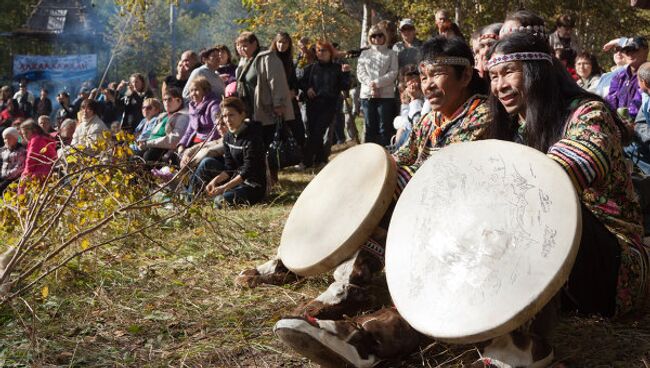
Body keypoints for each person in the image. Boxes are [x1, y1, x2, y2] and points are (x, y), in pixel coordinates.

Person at [271, 35, 492, 367]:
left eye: (438, 75)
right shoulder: (429, 119)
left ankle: (352, 288)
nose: (428, 85)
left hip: (461, 216)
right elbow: (399, 157)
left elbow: (450, 170)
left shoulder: (482, 116)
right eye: (425, 75)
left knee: (391, 193)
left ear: (465, 76)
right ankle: (303, 265)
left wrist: (395, 177)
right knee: (374, 187)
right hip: (421, 205)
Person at [475, 31, 649, 366]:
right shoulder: (508, 128)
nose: (500, 86)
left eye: (509, 72)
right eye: (494, 77)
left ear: (538, 70)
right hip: (556, 272)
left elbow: (555, 177)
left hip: (610, 264)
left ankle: (518, 343)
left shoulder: (588, 115)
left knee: (547, 201)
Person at [236, 31, 295, 184]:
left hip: (267, 109)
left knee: (269, 145)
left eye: (245, 45)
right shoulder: (244, 61)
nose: (241, 49)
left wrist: (279, 104)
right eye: (238, 46)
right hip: (249, 111)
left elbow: (277, 81)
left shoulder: (267, 57)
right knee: (256, 146)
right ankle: (260, 178)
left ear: (255, 43)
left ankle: (272, 179)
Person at [205, 97, 266, 207]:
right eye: (224, 116)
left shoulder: (253, 138)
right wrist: (214, 181)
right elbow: (229, 168)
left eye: (231, 115)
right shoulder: (228, 137)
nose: (227, 120)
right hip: (236, 181)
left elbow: (248, 171)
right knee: (206, 163)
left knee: (219, 201)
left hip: (253, 186)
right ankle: (190, 198)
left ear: (242, 115)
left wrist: (224, 187)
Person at [299, 40, 351, 168]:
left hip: (329, 105)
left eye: (324, 50)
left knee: (319, 131)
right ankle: (319, 160)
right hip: (312, 104)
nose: (321, 53)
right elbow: (300, 82)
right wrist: (307, 89)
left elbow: (345, 86)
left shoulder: (337, 68)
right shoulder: (310, 68)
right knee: (312, 132)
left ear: (330, 52)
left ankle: (307, 161)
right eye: (318, 50)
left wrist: (346, 73)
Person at [357, 25, 398, 147]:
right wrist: (371, 85)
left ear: (385, 36)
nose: (377, 38)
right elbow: (360, 72)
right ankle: (369, 155)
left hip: (386, 95)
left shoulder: (391, 53)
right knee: (370, 127)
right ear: (370, 38)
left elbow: (393, 72)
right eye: (374, 36)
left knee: (384, 127)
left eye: (380, 35)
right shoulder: (364, 54)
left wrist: (377, 83)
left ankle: (385, 153)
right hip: (367, 94)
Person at [139, 88, 189, 167]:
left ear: (179, 101)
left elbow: (174, 140)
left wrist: (148, 143)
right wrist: (144, 141)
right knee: (134, 156)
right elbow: (152, 133)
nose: (166, 102)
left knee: (148, 156)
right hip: (152, 145)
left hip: (164, 149)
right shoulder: (163, 116)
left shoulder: (183, 117)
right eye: (164, 100)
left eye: (169, 99)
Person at [606, 36, 648, 120]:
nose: (629, 53)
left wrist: (626, 119)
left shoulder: (647, 74)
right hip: (618, 124)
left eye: (634, 50)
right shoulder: (619, 76)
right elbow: (610, 100)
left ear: (645, 50)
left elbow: (639, 103)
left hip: (641, 125)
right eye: (626, 50)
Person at [177, 77, 221, 155]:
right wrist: (181, 145)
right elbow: (190, 130)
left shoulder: (214, 105)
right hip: (194, 142)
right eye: (191, 91)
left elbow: (217, 126)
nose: (193, 93)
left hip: (208, 144)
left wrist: (205, 145)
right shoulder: (193, 108)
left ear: (205, 90)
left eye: (196, 90)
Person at [0, 127, 26, 193]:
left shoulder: (21, 151)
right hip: (2, 176)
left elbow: (19, 168)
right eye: (5, 138)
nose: (6, 140)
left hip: (14, 178)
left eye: (9, 138)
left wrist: (5, 176)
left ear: (16, 138)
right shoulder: (3, 150)